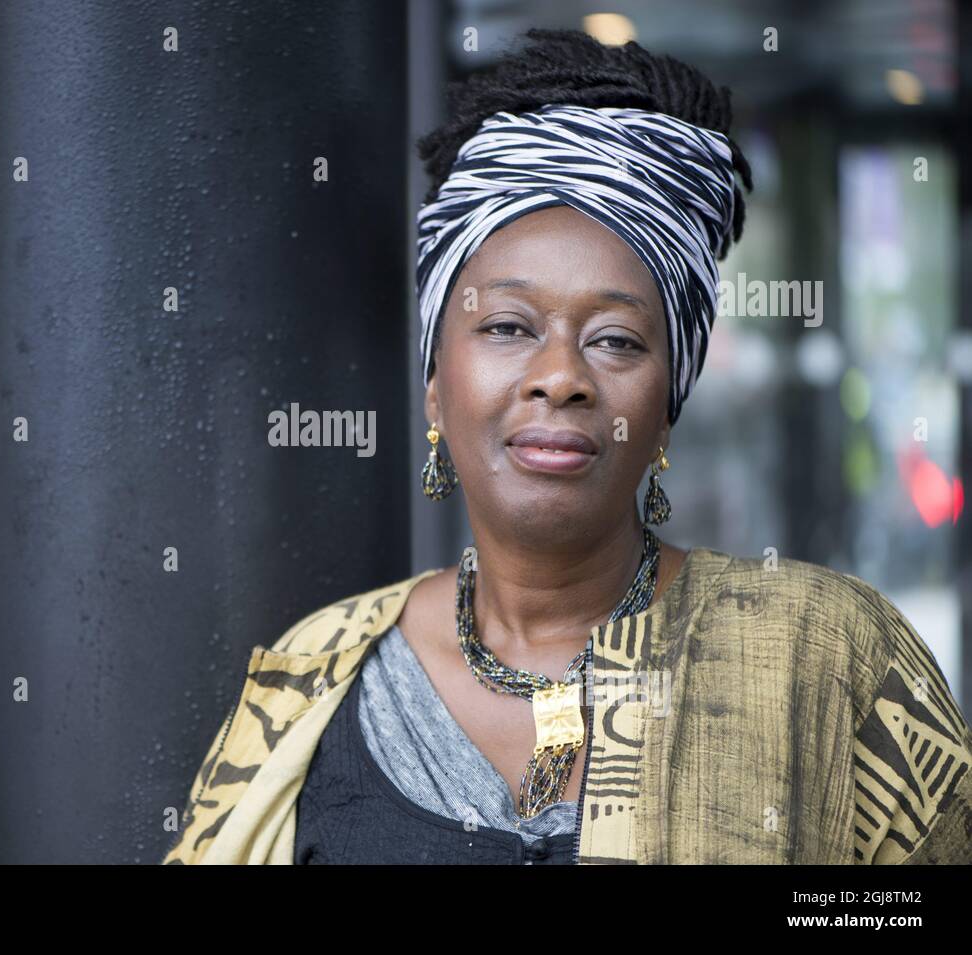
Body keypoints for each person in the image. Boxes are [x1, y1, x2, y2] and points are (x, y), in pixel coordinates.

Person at [162, 28, 972, 864]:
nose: (560, 377)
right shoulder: (314, 679)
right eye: (508, 326)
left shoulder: (827, 653)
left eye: (617, 340)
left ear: (666, 409)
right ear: (436, 385)